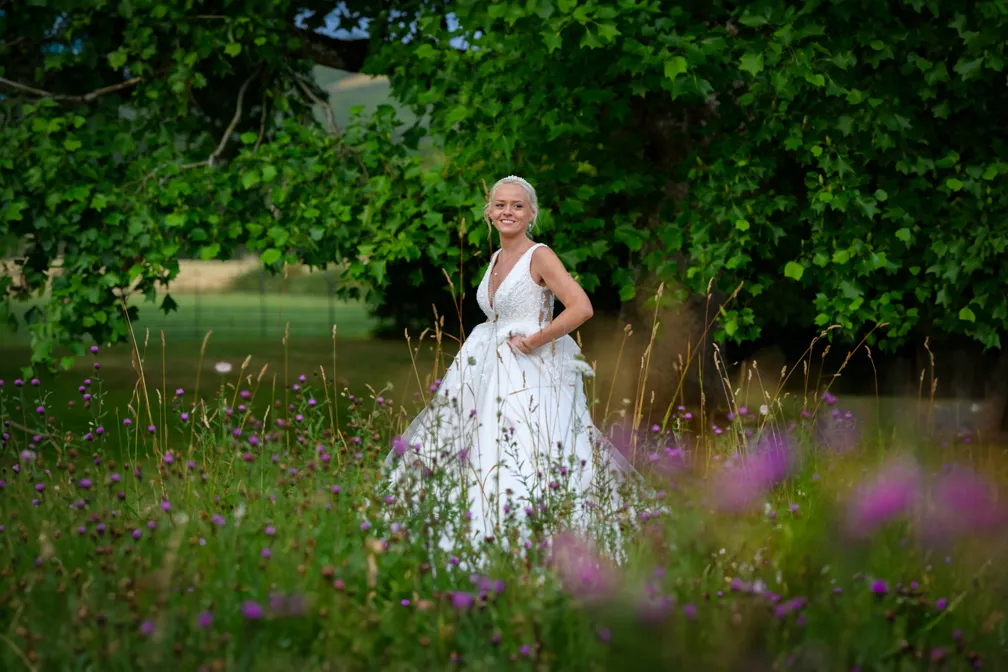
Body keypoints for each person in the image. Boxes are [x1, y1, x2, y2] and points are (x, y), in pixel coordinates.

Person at [385, 175, 636, 556]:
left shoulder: (540, 255)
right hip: (483, 369)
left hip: (528, 371)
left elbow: (582, 307)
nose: (508, 212)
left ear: (531, 213)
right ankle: (468, 526)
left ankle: (540, 536)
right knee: (472, 444)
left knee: (530, 449)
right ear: (489, 212)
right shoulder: (495, 258)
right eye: (500, 205)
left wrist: (534, 340)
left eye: (517, 206)